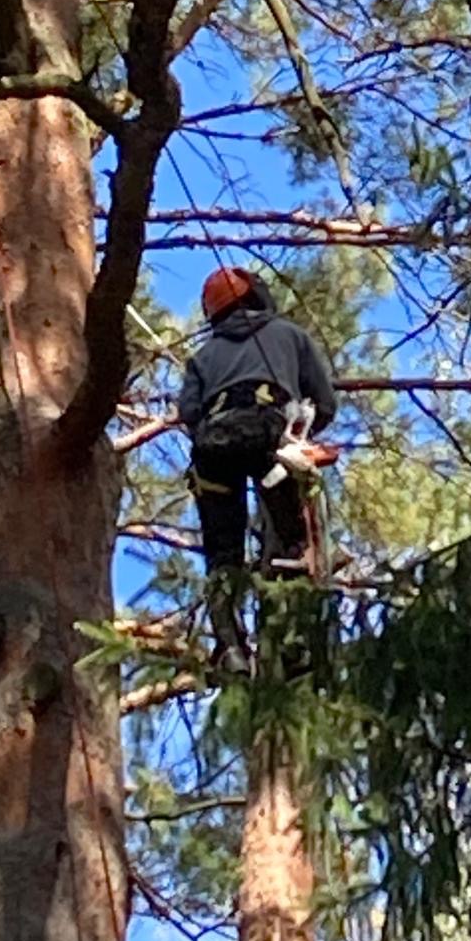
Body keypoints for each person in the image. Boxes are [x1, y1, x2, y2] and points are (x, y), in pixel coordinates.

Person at [178, 266, 337, 674]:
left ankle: (230, 648)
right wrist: (300, 433)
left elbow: (189, 413)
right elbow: (325, 402)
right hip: (270, 440)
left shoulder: (202, 356)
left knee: (223, 555)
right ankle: (292, 642)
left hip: (213, 448)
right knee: (291, 546)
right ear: (258, 295)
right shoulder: (290, 335)